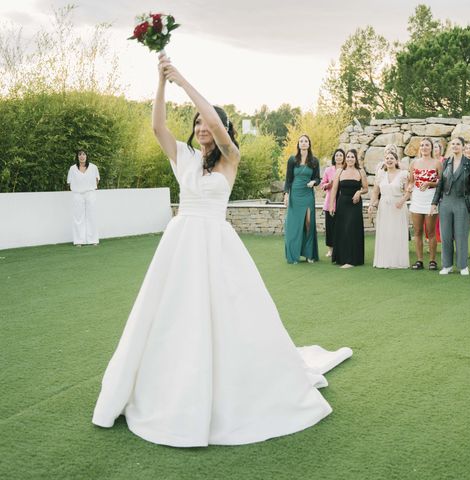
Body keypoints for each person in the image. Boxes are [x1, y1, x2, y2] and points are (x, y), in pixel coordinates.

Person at [92, 53, 352, 448]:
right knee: (172, 317)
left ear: (221, 129)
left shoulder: (231, 159)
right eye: (196, 123)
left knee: (229, 315)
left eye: (206, 123)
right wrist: (161, 81)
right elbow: (157, 125)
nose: (200, 128)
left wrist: (183, 78)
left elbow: (215, 120)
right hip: (181, 246)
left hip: (216, 242)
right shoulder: (184, 158)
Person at [430, 137, 470, 275]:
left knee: (461, 235)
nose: (455, 146)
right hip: (446, 203)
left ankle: (463, 266)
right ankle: (447, 265)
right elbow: (440, 185)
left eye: (458, 144)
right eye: (453, 144)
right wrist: (434, 203)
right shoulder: (446, 162)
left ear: (463, 147)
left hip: (461, 203)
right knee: (446, 236)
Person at [368, 151, 411, 268]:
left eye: (392, 158)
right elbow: (375, 192)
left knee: (397, 233)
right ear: (384, 161)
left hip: (398, 207)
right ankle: (384, 260)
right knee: (385, 232)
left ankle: (397, 261)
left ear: (396, 161)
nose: (389, 160)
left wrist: (402, 201)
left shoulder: (403, 174)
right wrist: (372, 205)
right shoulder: (381, 174)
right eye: (387, 158)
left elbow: (408, 191)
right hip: (384, 207)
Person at [284, 135, 320, 264]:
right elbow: (288, 179)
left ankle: (309, 254)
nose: (303, 143)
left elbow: (318, 178)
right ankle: (293, 255)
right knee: (294, 225)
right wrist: (286, 194)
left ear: (309, 144)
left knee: (308, 223)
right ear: (298, 144)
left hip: (308, 194)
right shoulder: (292, 160)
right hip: (295, 193)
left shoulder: (314, 161)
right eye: (301, 141)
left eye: (306, 141)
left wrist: (313, 182)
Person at [329, 149, 368, 268]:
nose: (350, 159)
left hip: (355, 204)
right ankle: (342, 257)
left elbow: (366, 188)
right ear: (346, 159)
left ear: (356, 159)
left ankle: (352, 260)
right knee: (343, 230)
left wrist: (359, 192)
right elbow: (334, 190)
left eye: (352, 157)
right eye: (348, 157)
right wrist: (331, 205)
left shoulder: (360, 171)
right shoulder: (340, 171)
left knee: (352, 228)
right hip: (342, 203)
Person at [408, 138, 442, 270]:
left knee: (431, 232)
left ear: (431, 147)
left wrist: (429, 183)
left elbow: (442, 182)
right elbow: (411, 181)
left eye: (427, 145)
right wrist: (409, 187)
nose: (424, 147)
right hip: (417, 199)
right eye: (422, 145)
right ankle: (419, 260)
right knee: (417, 232)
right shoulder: (414, 163)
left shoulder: (437, 163)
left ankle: (432, 261)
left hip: (431, 200)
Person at [67, 150, 100, 246]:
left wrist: (91, 188)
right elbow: (69, 182)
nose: (82, 156)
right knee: (78, 217)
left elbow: (97, 179)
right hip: (77, 194)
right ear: (77, 157)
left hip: (90, 193)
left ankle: (93, 240)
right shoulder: (72, 168)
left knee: (92, 216)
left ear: (87, 156)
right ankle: (79, 241)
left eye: (84, 154)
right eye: (80, 154)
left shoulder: (93, 167)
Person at [319, 149, 345, 257]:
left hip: (343, 201)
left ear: (344, 157)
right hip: (330, 202)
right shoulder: (328, 170)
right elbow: (322, 185)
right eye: (337, 155)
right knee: (330, 227)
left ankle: (342, 248)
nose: (338, 157)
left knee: (342, 226)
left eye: (341, 155)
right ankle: (330, 250)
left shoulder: (346, 169)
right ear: (334, 157)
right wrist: (329, 184)